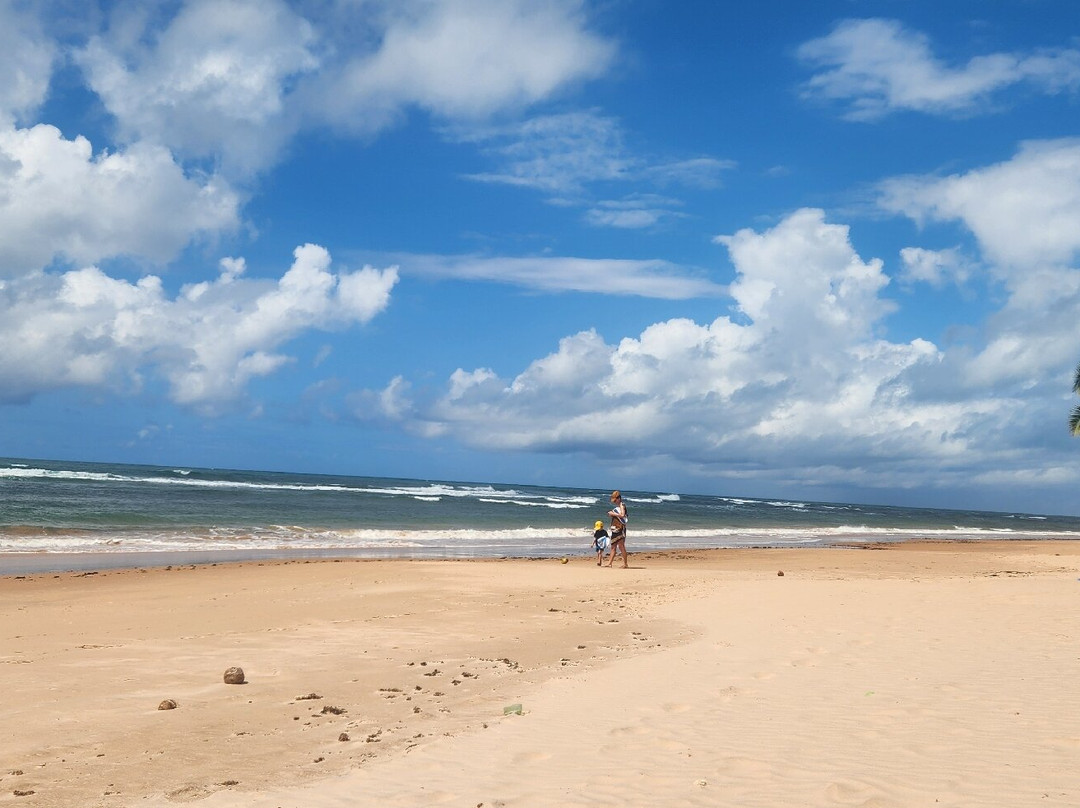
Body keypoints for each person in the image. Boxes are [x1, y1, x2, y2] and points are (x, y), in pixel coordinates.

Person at [605, 490, 628, 568]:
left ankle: (625, 564)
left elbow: (622, 515)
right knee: (613, 546)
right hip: (615, 528)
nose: (614, 502)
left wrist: (613, 513)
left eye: (615, 500)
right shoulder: (618, 507)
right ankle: (609, 563)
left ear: (619, 498)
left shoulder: (622, 505)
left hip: (620, 528)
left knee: (621, 546)